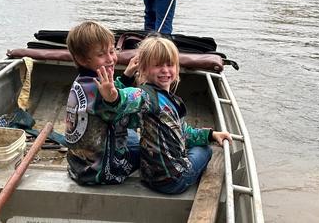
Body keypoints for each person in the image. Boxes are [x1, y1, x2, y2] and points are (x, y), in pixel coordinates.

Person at [94, 36, 231, 194]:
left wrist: (211, 134)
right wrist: (114, 98)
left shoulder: (162, 99)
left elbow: (182, 131)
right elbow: (129, 97)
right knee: (205, 150)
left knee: (186, 139)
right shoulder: (147, 96)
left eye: (170, 65)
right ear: (144, 69)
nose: (165, 70)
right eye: (158, 65)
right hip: (173, 181)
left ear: (176, 68)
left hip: (148, 176)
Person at [64, 21, 142, 185]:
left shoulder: (83, 81)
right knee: (149, 145)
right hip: (103, 171)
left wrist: (127, 76)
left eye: (112, 51)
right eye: (101, 55)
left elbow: (111, 98)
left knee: (133, 137)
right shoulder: (99, 91)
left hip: (78, 165)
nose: (111, 59)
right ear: (82, 59)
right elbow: (132, 115)